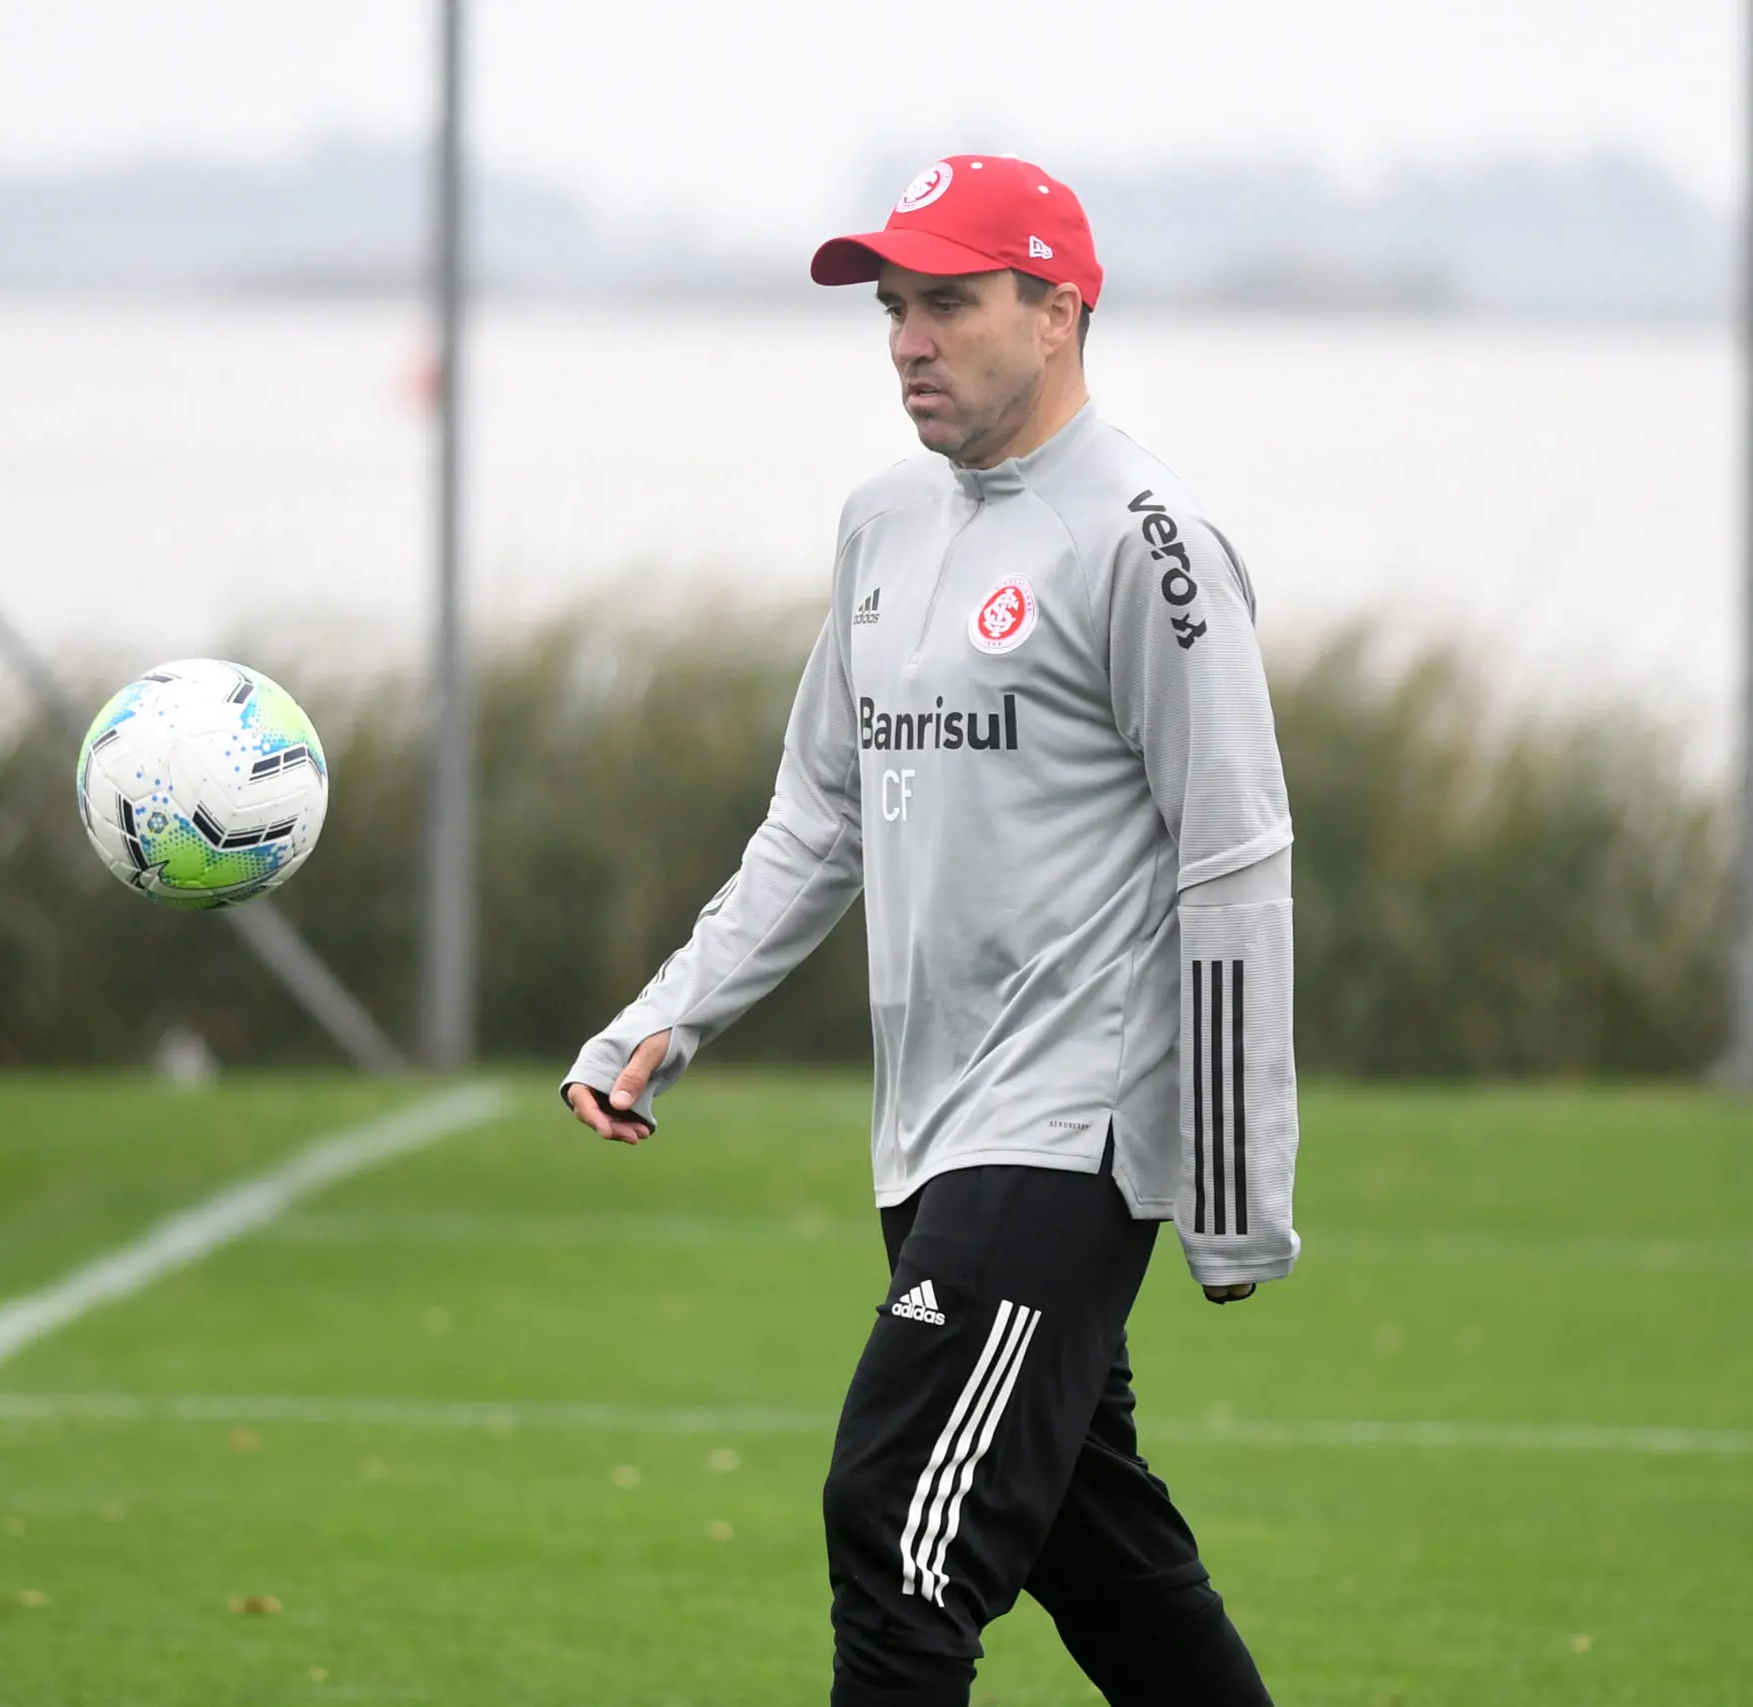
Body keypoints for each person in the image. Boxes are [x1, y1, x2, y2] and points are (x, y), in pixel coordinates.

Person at [562, 154, 1295, 1707]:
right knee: (1102, 1551)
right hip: (929, 1139)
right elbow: (819, 814)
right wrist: (664, 1016)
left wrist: (1236, 1193)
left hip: (1071, 1133)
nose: (908, 341)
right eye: (894, 307)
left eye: (949, 304)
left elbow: (1234, 861)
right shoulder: (881, 524)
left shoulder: (1147, 539)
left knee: (899, 1521)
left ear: (1059, 310)